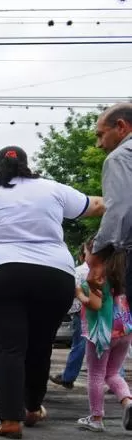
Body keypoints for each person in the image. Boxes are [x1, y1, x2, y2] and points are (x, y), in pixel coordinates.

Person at [0, 146, 105, 440]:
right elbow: (95, 205)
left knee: (8, 347)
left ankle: (10, 419)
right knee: (39, 344)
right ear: (27, 164)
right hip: (53, 275)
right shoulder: (53, 189)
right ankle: (33, 408)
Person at [75, 253, 132, 432]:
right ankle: (128, 402)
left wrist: (79, 293)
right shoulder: (123, 277)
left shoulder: (97, 277)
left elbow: (94, 304)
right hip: (124, 328)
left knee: (96, 374)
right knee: (113, 372)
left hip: (102, 331)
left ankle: (96, 418)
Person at [88, 103, 132, 303]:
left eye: (100, 134)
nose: (99, 144)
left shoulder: (120, 157)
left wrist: (97, 258)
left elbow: (120, 209)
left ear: (121, 126)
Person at [51, 239, 93, 390]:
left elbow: (71, 291)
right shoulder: (108, 269)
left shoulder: (78, 271)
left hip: (81, 312)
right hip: (103, 312)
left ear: (83, 255)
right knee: (104, 344)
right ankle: (116, 376)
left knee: (79, 345)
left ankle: (68, 377)